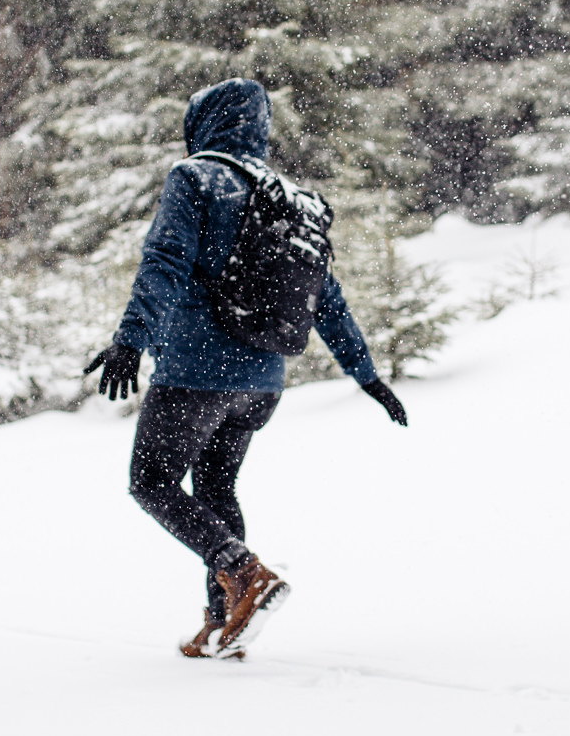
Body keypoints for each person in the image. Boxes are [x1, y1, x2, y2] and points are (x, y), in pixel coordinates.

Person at [85, 78, 409, 660]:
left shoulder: (196, 178)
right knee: (214, 487)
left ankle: (245, 575)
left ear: (204, 124)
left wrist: (130, 341)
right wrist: (367, 376)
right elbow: (326, 299)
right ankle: (224, 621)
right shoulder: (287, 198)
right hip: (262, 383)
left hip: (195, 371)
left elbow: (164, 262)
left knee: (152, 483)